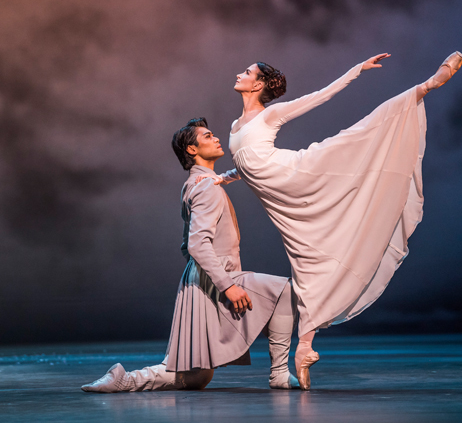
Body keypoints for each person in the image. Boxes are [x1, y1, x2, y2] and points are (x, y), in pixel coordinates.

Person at [204, 51, 462, 390]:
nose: (240, 73)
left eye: (247, 71)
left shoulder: (271, 115)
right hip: (283, 201)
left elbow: (321, 96)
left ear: (259, 85)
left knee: (353, 141)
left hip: (299, 175)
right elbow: (248, 162)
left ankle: (427, 86)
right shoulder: (237, 126)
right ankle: (305, 348)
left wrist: (356, 70)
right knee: (306, 261)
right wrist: (225, 177)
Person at [81, 118, 299, 392]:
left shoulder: (201, 183)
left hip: (205, 278)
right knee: (285, 292)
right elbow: (196, 244)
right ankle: (278, 373)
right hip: (215, 279)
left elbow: (187, 244)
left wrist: (244, 169)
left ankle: (126, 380)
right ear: (192, 150)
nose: (216, 138)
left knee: (197, 377)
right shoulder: (205, 187)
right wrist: (228, 285)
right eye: (208, 136)